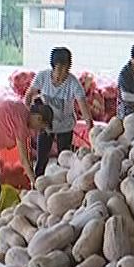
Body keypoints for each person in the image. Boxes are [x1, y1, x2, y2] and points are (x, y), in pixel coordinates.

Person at [24, 47, 94, 177]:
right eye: (59, 69)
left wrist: (90, 125)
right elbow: (29, 95)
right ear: (53, 67)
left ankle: (62, 185)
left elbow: (83, 105)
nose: (62, 73)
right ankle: (37, 184)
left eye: (66, 69)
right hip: (45, 125)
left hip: (65, 125)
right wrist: (25, 113)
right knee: (41, 159)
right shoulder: (43, 76)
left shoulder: (73, 83)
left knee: (64, 159)